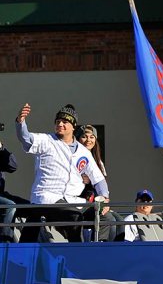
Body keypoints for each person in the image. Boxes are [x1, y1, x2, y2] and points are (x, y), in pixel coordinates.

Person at [14, 103, 108, 242]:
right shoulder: (47, 140)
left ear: (73, 126)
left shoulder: (83, 151)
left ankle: (99, 250)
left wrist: (104, 198)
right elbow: (26, 138)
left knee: (106, 217)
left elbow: (98, 178)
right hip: (48, 198)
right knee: (73, 217)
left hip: (72, 199)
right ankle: (76, 257)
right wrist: (20, 122)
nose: (60, 124)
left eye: (65, 122)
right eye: (58, 122)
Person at [76, 124, 123, 241]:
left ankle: (116, 249)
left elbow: (102, 184)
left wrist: (105, 202)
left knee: (119, 220)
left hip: (96, 202)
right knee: (108, 219)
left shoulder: (98, 161)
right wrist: (80, 178)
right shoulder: (73, 155)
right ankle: (98, 246)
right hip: (79, 202)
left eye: (92, 137)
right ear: (77, 139)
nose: (88, 140)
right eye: (84, 137)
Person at [0, 139, 23, 243]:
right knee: (10, 205)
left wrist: (1, 148)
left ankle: (26, 245)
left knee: (32, 206)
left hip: (1, 194)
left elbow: (12, 166)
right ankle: (5, 244)